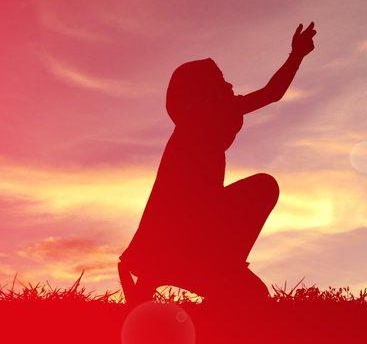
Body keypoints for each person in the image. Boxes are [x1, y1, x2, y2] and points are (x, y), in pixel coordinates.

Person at [118, 22, 317, 305]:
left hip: (177, 242)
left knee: (255, 296)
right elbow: (271, 93)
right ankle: (218, 268)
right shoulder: (204, 113)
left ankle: (180, 275)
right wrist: (296, 56)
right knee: (264, 186)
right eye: (220, 79)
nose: (230, 85)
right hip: (187, 243)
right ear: (202, 90)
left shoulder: (191, 128)